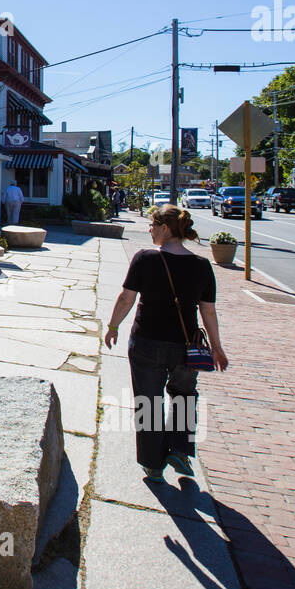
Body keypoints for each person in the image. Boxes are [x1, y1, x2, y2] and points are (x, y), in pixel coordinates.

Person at [103, 204, 229, 483]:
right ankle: (180, 451)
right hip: (186, 347)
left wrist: (113, 326)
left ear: (164, 228)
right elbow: (208, 311)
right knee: (184, 396)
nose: (149, 230)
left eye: (152, 225)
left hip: (146, 341)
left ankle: (152, 463)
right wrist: (217, 347)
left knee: (148, 402)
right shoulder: (201, 266)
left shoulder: (144, 259)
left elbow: (127, 298)